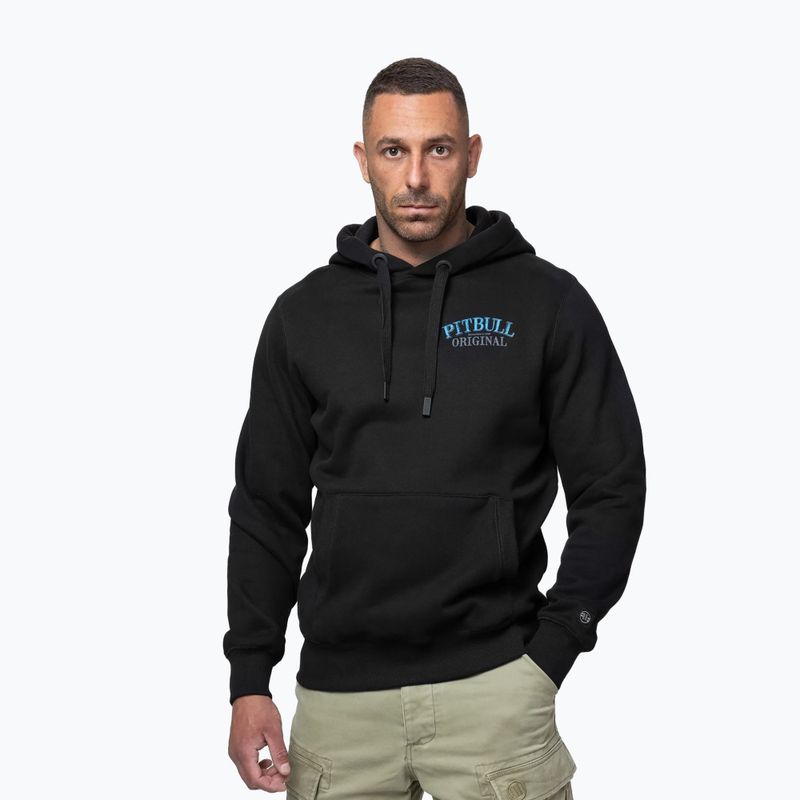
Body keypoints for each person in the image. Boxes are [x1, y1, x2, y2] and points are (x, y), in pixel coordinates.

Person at [223, 57, 646, 799]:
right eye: (394, 150)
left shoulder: (547, 303)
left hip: (495, 693)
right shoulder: (304, 316)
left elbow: (611, 487)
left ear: (472, 155)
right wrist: (249, 678)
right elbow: (267, 507)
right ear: (364, 160)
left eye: (438, 149)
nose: (416, 177)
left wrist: (553, 650)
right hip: (339, 705)